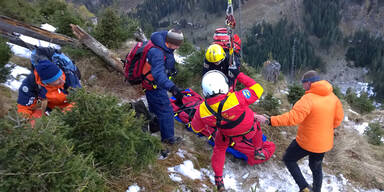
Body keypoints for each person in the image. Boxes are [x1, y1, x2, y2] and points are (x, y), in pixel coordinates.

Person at [255, 70, 344, 192]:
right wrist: (326, 129)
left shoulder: (308, 99)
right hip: (324, 143)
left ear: (309, 83)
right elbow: (338, 119)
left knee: (289, 159)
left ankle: (304, 188)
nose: (302, 86)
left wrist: (269, 120)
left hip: (307, 142)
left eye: (303, 83)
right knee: (316, 167)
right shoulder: (334, 98)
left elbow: (292, 118)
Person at [190, 69, 265, 191]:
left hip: (228, 135)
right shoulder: (236, 98)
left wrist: (202, 117)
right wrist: (239, 75)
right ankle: (258, 150)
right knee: (256, 124)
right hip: (249, 130)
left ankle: (219, 179)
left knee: (219, 149)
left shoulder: (202, 110)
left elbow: (196, 128)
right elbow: (258, 89)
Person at [144, 29, 184, 145]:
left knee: (155, 108)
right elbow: (158, 74)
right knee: (166, 111)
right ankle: (168, 139)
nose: (177, 47)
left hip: (151, 84)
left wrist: (171, 70)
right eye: (176, 45)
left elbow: (163, 65)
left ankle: (155, 127)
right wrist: (173, 88)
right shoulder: (157, 52)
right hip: (154, 86)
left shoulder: (164, 45)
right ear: (170, 42)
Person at [17, 60, 79, 125]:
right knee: (34, 124)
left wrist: (65, 113)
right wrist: (25, 125)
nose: (63, 81)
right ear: (46, 82)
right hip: (49, 109)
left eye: (61, 76)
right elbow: (24, 108)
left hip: (70, 105)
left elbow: (79, 98)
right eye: (57, 80)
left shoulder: (68, 74)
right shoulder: (30, 85)